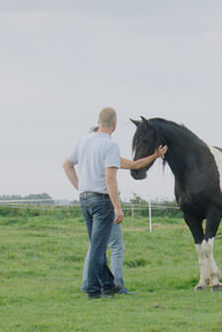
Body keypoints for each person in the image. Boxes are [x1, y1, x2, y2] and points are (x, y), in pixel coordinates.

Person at [62, 107, 165, 299]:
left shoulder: (84, 142)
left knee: (97, 245)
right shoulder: (110, 146)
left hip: (85, 199)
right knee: (98, 248)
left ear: (98, 121)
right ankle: (93, 290)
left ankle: (109, 286)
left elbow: (66, 165)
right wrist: (117, 207)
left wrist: (81, 187)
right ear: (115, 125)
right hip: (102, 201)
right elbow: (110, 179)